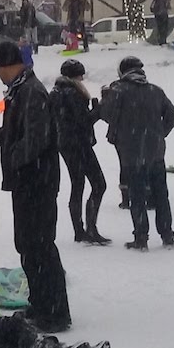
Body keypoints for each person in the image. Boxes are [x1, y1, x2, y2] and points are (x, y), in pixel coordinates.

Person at [0, 40, 69, 332]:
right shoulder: (20, 91)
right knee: (28, 245)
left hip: (36, 181)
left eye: (0, 69)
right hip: (27, 180)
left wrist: (13, 158)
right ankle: (40, 303)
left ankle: (53, 312)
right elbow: (20, 133)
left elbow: (36, 139)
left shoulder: (31, 91)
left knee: (39, 246)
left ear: (11, 65)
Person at [99, 56, 174, 252]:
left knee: (137, 195)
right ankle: (167, 235)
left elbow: (106, 114)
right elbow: (172, 114)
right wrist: (159, 133)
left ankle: (141, 238)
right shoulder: (155, 91)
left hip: (132, 152)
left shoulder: (119, 91)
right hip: (156, 151)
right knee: (161, 194)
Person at [50, 59, 109, 244]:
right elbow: (83, 122)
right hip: (79, 144)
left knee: (78, 185)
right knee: (99, 184)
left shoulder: (56, 92)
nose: (83, 78)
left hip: (65, 144)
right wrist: (98, 110)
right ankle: (90, 229)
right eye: (80, 75)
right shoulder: (72, 93)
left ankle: (79, 230)